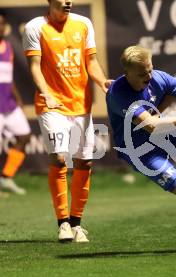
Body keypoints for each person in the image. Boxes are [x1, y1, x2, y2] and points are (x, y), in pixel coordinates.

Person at [106, 45, 176, 253]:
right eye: (141, 73)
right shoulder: (118, 93)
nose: (148, 76)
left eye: (150, 69)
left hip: (164, 137)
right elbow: (151, 125)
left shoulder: (157, 77)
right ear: (127, 73)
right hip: (140, 151)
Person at [23, 0, 111, 242]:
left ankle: (76, 224)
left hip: (81, 105)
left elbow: (91, 62)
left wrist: (102, 82)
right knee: (60, 158)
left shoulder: (83, 24)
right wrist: (47, 94)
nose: (68, 1)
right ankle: (62, 223)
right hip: (52, 106)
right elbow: (35, 66)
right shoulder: (35, 27)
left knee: (85, 163)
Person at [0, 12, 31, 196]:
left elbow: (8, 78)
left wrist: (18, 99)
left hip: (9, 105)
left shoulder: (9, 48)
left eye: (3, 23)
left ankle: (6, 176)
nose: (1, 27)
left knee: (24, 136)